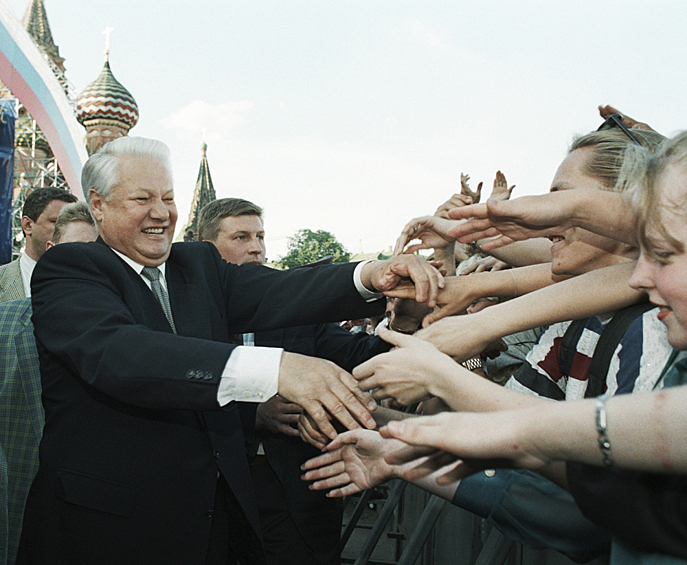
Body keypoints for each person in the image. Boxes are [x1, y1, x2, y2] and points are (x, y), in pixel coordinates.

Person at [17, 136, 441, 565]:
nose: (161, 212)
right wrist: (275, 368)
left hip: (207, 527)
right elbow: (120, 353)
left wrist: (374, 274)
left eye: (168, 197)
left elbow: (280, 289)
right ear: (99, 204)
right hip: (106, 531)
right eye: (142, 198)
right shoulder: (69, 270)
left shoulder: (197, 265)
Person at [375, 130, 687, 563]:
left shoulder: (654, 327)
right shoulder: (574, 322)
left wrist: (454, 356)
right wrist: (383, 428)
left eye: (559, 198)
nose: (546, 219)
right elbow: (508, 422)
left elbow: (596, 503)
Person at [198, 197, 392, 565]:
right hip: (209, 500)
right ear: (205, 247)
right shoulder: (183, 316)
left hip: (292, 502)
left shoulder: (298, 312)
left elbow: (362, 357)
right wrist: (250, 413)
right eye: (241, 237)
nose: (256, 246)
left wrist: (405, 324)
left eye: (260, 236)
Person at [1, 202, 97, 565]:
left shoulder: (143, 331)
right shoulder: (7, 324)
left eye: (101, 253)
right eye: (80, 251)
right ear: (53, 253)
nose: (92, 263)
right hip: (24, 511)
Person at [0, 187, 77, 301]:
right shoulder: (3, 279)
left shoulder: (89, 281)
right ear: (27, 225)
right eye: (56, 222)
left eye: (71, 224)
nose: (66, 230)